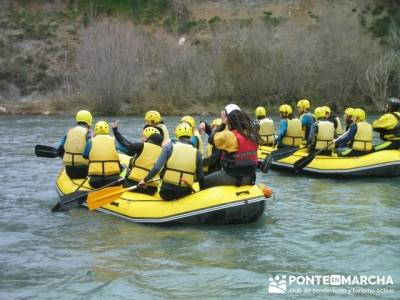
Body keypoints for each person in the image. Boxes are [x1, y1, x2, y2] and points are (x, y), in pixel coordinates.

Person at [201, 104, 261, 188]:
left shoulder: (229, 136)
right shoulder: (253, 134)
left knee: (202, 182)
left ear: (230, 121)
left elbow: (211, 139)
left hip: (231, 177)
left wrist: (222, 124)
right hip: (250, 178)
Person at [138, 123, 203, 200]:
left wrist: (145, 180)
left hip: (167, 192)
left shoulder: (169, 147)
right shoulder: (197, 152)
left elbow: (157, 168)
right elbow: (200, 177)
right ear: (190, 135)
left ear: (176, 134)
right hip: (185, 193)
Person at [112, 122, 163, 195]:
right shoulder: (164, 152)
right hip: (151, 189)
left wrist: (115, 131)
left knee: (120, 179)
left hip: (134, 184)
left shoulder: (141, 146)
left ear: (149, 139)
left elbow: (125, 143)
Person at [83, 121, 121, 189]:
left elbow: (85, 156)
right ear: (108, 130)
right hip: (114, 180)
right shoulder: (114, 140)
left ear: (96, 130)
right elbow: (124, 150)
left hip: (95, 182)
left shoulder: (90, 141)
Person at [57, 110, 92, 179]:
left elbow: (59, 152)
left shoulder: (68, 132)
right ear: (89, 120)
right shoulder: (89, 134)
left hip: (69, 170)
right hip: (84, 171)